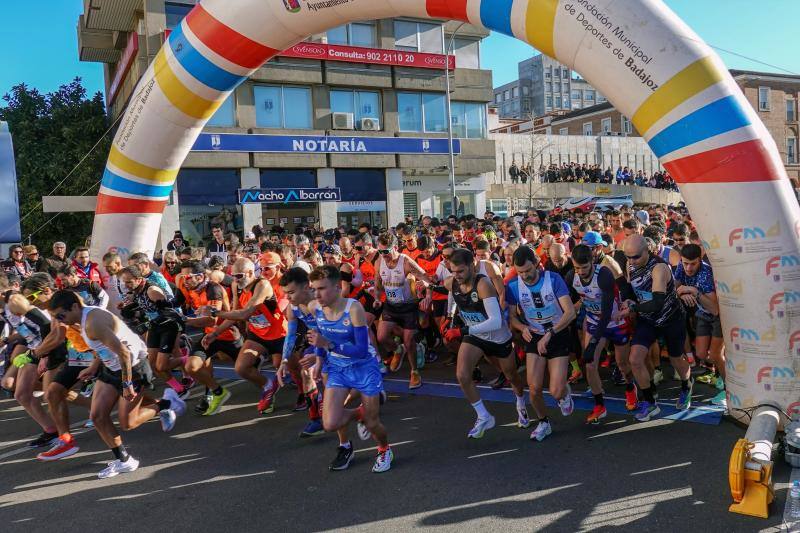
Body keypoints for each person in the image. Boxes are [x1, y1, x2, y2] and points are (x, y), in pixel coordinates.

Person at [49, 290, 185, 479]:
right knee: (97, 416)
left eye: (60, 316)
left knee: (127, 423)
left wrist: (127, 383)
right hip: (111, 367)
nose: (60, 320)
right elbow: (101, 348)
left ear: (73, 307)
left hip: (134, 367)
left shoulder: (93, 322)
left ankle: (165, 403)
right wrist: (94, 366)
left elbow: (124, 353)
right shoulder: (81, 318)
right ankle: (125, 460)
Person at [307, 265, 393, 473]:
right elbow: (318, 337)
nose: (316, 294)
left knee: (373, 424)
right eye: (313, 288)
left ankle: (384, 449)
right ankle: (359, 413)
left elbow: (362, 350)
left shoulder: (353, 309)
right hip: (337, 369)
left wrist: (328, 345)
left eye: (322, 288)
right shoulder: (314, 307)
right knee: (330, 423)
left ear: (337, 287)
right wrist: (319, 361)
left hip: (364, 368)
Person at [440, 249, 530, 439]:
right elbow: (452, 294)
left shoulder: (483, 284)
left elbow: (496, 321)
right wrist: (449, 318)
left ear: (472, 266)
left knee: (511, 376)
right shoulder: (452, 282)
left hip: (498, 338)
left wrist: (461, 330)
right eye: (453, 272)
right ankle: (484, 416)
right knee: (462, 375)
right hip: (476, 336)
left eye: (461, 272)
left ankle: (521, 402)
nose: (457, 276)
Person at [506, 246, 577, 441]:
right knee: (534, 387)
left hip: (557, 332)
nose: (525, 275)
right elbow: (512, 317)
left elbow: (570, 312)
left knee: (555, 390)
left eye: (528, 270)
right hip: (535, 335)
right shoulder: (513, 285)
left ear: (537, 263)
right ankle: (543, 422)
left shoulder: (553, 279)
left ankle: (564, 393)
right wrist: (523, 328)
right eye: (520, 272)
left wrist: (551, 333)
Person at [620, 235, 692, 422]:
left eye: (635, 257)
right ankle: (650, 402)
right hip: (648, 320)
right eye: (627, 257)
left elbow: (658, 303)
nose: (631, 261)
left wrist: (633, 308)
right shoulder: (631, 264)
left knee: (676, 359)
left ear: (647, 251)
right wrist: (629, 300)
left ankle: (686, 385)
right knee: (635, 359)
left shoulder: (659, 268)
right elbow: (629, 287)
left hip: (670, 319)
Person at [203, 257, 287, 414]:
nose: (235, 279)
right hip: (258, 334)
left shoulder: (262, 285)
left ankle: (308, 395)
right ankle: (268, 387)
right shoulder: (236, 286)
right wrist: (215, 333)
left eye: (239, 276)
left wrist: (215, 312)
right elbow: (234, 314)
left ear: (250, 273)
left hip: (278, 333)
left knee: (284, 367)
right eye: (233, 275)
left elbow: (245, 313)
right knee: (241, 368)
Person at [567, 245, 637, 424]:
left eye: (584, 267)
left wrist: (592, 343)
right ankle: (600, 406)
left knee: (623, 365)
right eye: (577, 267)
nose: (581, 272)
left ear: (592, 262)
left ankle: (630, 387)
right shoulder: (571, 276)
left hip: (615, 321)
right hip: (593, 321)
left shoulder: (604, 274)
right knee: (590, 365)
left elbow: (606, 314)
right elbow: (569, 301)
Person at [373, 233, 433, 389]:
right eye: (380, 251)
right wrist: (378, 298)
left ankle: (414, 372)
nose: (383, 255)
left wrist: (427, 293)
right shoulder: (380, 261)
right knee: (381, 337)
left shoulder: (405, 261)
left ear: (395, 248)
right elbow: (377, 282)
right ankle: (397, 349)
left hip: (408, 307)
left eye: (386, 251)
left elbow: (426, 277)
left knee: (409, 341)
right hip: (391, 306)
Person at [176, 261, 235, 416]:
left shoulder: (213, 289)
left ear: (201, 276)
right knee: (192, 366)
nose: (184, 280)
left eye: (187, 277)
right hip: (209, 336)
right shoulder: (193, 288)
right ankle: (215, 392)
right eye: (182, 277)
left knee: (250, 369)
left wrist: (184, 320)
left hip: (228, 335)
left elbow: (212, 320)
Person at [674, 244, 726, 406]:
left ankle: (728, 389)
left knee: (716, 355)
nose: (688, 268)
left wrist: (693, 291)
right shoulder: (681, 268)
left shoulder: (706, 274)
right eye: (685, 263)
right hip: (702, 314)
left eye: (693, 264)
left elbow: (715, 309)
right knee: (702, 355)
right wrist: (681, 292)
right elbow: (674, 290)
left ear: (699, 260)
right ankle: (718, 373)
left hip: (719, 316)